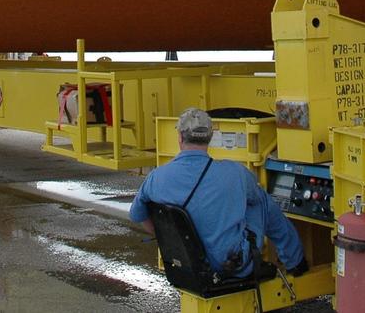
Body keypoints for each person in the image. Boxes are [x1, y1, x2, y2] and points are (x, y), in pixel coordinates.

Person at [130, 108, 307, 279]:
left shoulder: (156, 177)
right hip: (231, 266)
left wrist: (170, 241)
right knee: (260, 200)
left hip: (187, 265)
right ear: (210, 138)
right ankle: (295, 262)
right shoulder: (235, 173)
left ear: (180, 137)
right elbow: (254, 200)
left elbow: (137, 214)